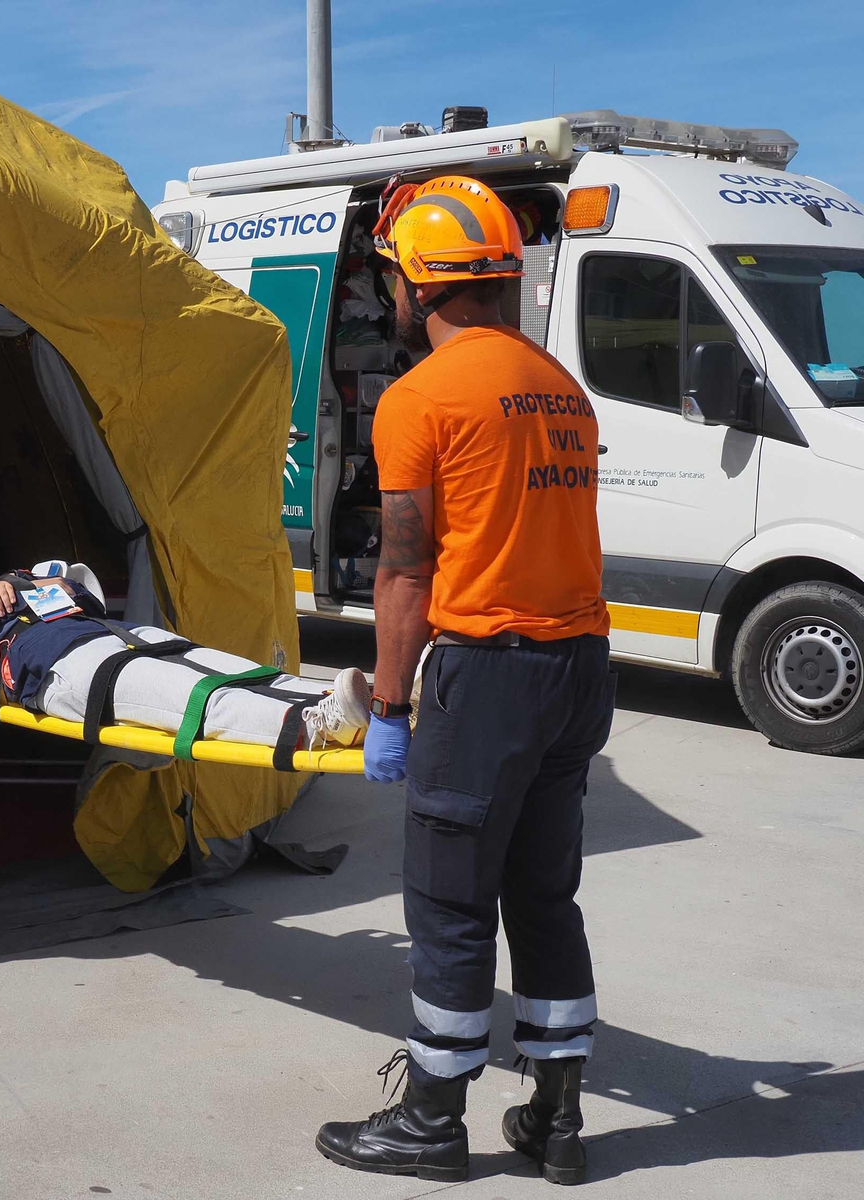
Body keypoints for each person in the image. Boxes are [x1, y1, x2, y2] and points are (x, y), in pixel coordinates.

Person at [313, 177, 614, 1186]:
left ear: (416, 282)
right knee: (543, 895)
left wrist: (390, 706)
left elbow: (406, 568)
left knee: (448, 902)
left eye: (392, 272)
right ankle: (557, 1119)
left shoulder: (420, 398)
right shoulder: (556, 385)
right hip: (578, 668)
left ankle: (433, 1121)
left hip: (485, 677)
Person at [0, 563, 371, 753]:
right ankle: (316, 725)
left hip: (102, 632)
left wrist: (28, 584)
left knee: (221, 666)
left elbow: (87, 599)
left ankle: (334, 700)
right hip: (57, 669)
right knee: (188, 697)